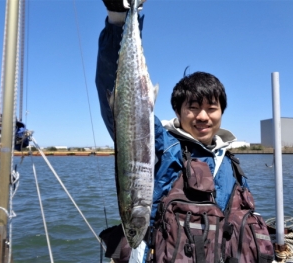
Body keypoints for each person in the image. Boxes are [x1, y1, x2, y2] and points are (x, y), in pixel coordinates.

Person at [95, 1, 249, 262]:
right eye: (193, 108)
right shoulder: (162, 144)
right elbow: (120, 110)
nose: (202, 116)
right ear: (177, 111)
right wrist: (118, 19)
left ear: (222, 112)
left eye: (211, 108)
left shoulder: (232, 165)